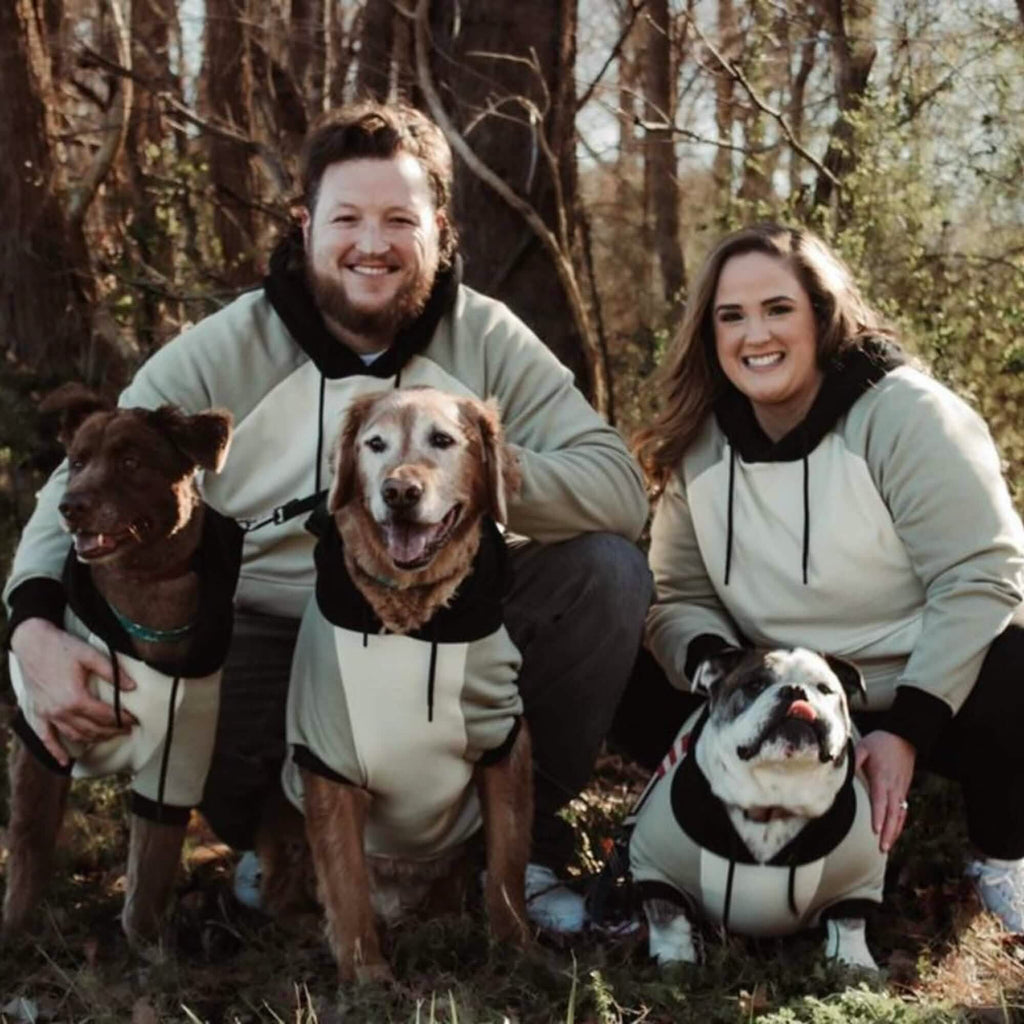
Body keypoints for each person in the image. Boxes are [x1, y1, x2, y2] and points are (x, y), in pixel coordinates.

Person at [4, 101, 652, 935]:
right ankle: (278, 846)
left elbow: (619, 487)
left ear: (439, 228)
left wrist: (480, 467)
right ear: (306, 224)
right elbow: (82, 477)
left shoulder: (487, 338)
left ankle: (517, 850)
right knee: (183, 639)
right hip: (270, 639)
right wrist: (31, 627)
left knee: (605, 573)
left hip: (447, 628)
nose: (372, 244)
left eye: (399, 219)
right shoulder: (228, 349)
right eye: (347, 217)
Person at [616, 222, 1024, 932]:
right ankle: (716, 831)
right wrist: (720, 679)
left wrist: (906, 729)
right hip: (773, 693)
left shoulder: (907, 415)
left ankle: (1002, 858)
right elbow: (678, 593)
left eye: (778, 308)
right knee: (619, 637)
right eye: (731, 316)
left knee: (1018, 656)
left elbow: (983, 573)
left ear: (823, 316)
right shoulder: (699, 441)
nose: (755, 335)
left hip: (924, 688)